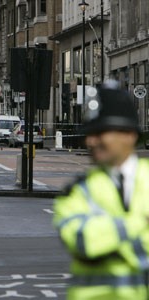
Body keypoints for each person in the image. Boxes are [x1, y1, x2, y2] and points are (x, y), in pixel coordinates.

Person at [53, 80, 149, 300]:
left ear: (129, 134)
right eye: (90, 134)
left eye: (101, 132)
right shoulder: (77, 191)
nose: (91, 141)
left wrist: (110, 233)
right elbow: (82, 241)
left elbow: (97, 237)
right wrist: (140, 222)